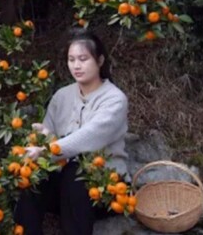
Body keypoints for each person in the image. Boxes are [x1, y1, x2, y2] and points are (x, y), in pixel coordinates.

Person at [14, 28, 129, 235]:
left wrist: (49, 148)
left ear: (100, 60)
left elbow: (90, 136)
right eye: (71, 59)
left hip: (104, 189)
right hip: (64, 188)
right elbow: (47, 140)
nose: (76, 65)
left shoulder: (115, 99)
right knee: (31, 176)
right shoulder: (62, 96)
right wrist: (43, 136)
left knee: (75, 172)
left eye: (83, 59)